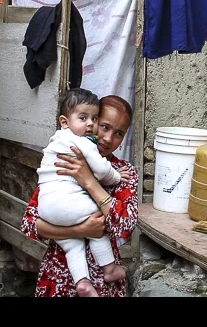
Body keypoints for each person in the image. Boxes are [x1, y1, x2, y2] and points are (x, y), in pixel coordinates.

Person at [22, 94, 139, 298]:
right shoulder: (66, 158)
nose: (108, 138)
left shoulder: (124, 172)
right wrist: (79, 230)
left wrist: (89, 181)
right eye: (104, 126)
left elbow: (125, 226)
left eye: (119, 133)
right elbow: (29, 225)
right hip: (59, 276)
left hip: (103, 284)